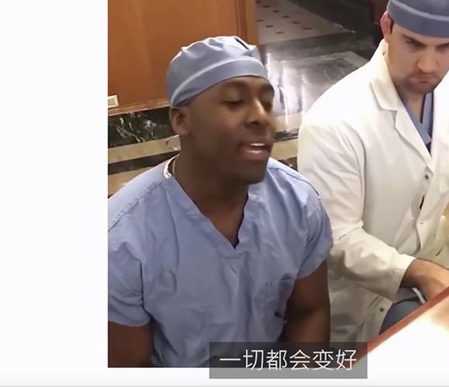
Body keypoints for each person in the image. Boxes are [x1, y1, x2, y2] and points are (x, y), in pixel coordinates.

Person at [108, 36, 333, 367]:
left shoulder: (297, 203)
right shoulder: (123, 241)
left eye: (267, 103)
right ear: (181, 120)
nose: (261, 118)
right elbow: (130, 367)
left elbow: (309, 312)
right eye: (234, 102)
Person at [297, 0, 449, 343]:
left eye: (446, 47)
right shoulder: (334, 120)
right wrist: (421, 273)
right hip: (364, 294)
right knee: (448, 341)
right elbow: (340, 240)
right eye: (413, 44)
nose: (428, 64)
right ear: (387, 26)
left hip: (438, 253)